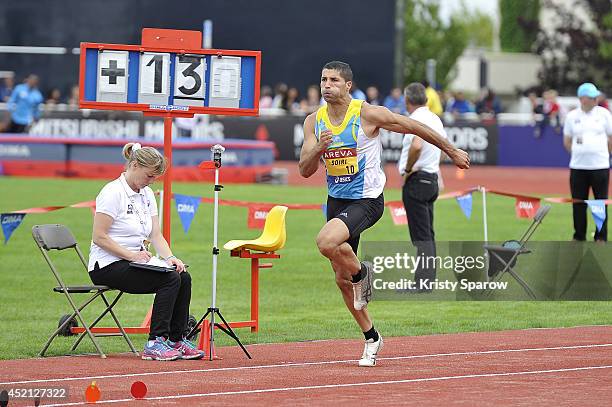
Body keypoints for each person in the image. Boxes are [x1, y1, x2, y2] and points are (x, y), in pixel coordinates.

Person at [299, 61, 469, 367]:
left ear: (348, 85)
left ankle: (363, 275)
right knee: (340, 279)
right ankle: (372, 337)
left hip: (367, 201)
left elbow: (414, 126)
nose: (327, 85)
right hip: (336, 201)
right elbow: (304, 169)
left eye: (334, 80)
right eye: (323, 79)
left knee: (325, 242)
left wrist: (451, 150)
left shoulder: (366, 114)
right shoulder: (314, 121)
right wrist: (318, 149)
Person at [88, 143, 205, 361]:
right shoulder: (112, 192)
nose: (151, 181)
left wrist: (171, 257)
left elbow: (156, 235)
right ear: (134, 165)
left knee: (182, 275)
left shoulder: (147, 194)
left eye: (155, 178)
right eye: (149, 176)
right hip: (106, 265)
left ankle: (176, 339)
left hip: (137, 262)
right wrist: (132, 255)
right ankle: (155, 342)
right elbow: (99, 237)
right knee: (169, 279)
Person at [398, 83, 447, 287]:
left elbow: (417, 145)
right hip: (432, 178)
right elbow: (444, 150)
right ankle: (428, 280)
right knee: (428, 234)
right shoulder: (435, 119)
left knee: (421, 236)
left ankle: (422, 283)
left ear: (407, 101)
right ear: (426, 100)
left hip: (417, 180)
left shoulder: (415, 119)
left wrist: (408, 169)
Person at [563, 82, 612, 242]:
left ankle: (601, 236)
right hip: (578, 167)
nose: (596, 99)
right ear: (582, 99)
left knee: (600, 203)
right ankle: (579, 237)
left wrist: (603, 154)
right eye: (592, 97)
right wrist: (579, 153)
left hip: (600, 166)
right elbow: (567, 140)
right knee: (578, 203)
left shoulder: (604, 114)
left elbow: (611, 138)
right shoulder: (572, 116)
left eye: (596, 97)